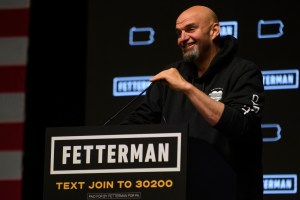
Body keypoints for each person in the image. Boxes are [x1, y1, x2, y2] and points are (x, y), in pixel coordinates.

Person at [121, 5, 265, 200]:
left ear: (214, 31)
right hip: (179, 190)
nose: (182, 38)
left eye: (190, 29)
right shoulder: (174, 72)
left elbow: (241, 125)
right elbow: (138, 122)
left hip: (230, 191)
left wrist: (187, 88)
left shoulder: (244, 71)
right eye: (178, 33)